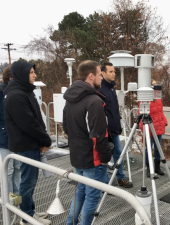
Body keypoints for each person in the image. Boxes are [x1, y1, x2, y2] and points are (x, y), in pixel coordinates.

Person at [63, 60, 112, 225]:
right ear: (91, 76)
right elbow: (99, 134)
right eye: (99, 74)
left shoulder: (70, 99)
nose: (101, 78)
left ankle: (71, 222)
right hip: (93, 159)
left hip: (77, 155)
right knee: (92, 196)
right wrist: (106, 157)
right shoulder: (95, 101)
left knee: (80, 192)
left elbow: (66, 128)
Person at [4, 61, 52, 225]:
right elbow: (28, 123)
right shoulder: (16, 95)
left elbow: (37, 118)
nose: (35, 75)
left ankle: (28, 211)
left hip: (29, 144)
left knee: (27, 181)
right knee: (25, 181)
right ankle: (26, 217)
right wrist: (45, 139)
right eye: (32, 72)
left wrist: (43, 136)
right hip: (25, 145)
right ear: (23, 74)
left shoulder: (25, 91)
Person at [97, 62, 133, 188]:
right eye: (111, 71)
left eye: (114, 71)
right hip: (105, 131)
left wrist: (118, 127)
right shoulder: (100, 89)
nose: (114, 74)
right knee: (105, 157)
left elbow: (114, 110)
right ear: (103, 73)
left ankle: (120, 177)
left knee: (118, 152)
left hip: (114, 129)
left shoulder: (111, 88)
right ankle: (104, 184)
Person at [139, 79, 168, 178]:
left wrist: (164, 121)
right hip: (150, 127)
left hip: (159, 126)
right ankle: (149, 168)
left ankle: (157, 167)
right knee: (148, 148)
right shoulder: (145, 98)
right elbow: (142, 114)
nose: (156, 87)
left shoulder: (158, 98)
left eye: (156, 85)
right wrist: (144, 128)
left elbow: (161, 111)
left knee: (158, 147)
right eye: (154, 85)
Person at [0, 67, 21, 195]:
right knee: (8, 170)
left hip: (17, 137)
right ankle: (8, 203)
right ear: (11, 78)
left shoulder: (16, 92)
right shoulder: (1, 93)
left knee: (18, 168)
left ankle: (17, 200)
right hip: (5, 137)